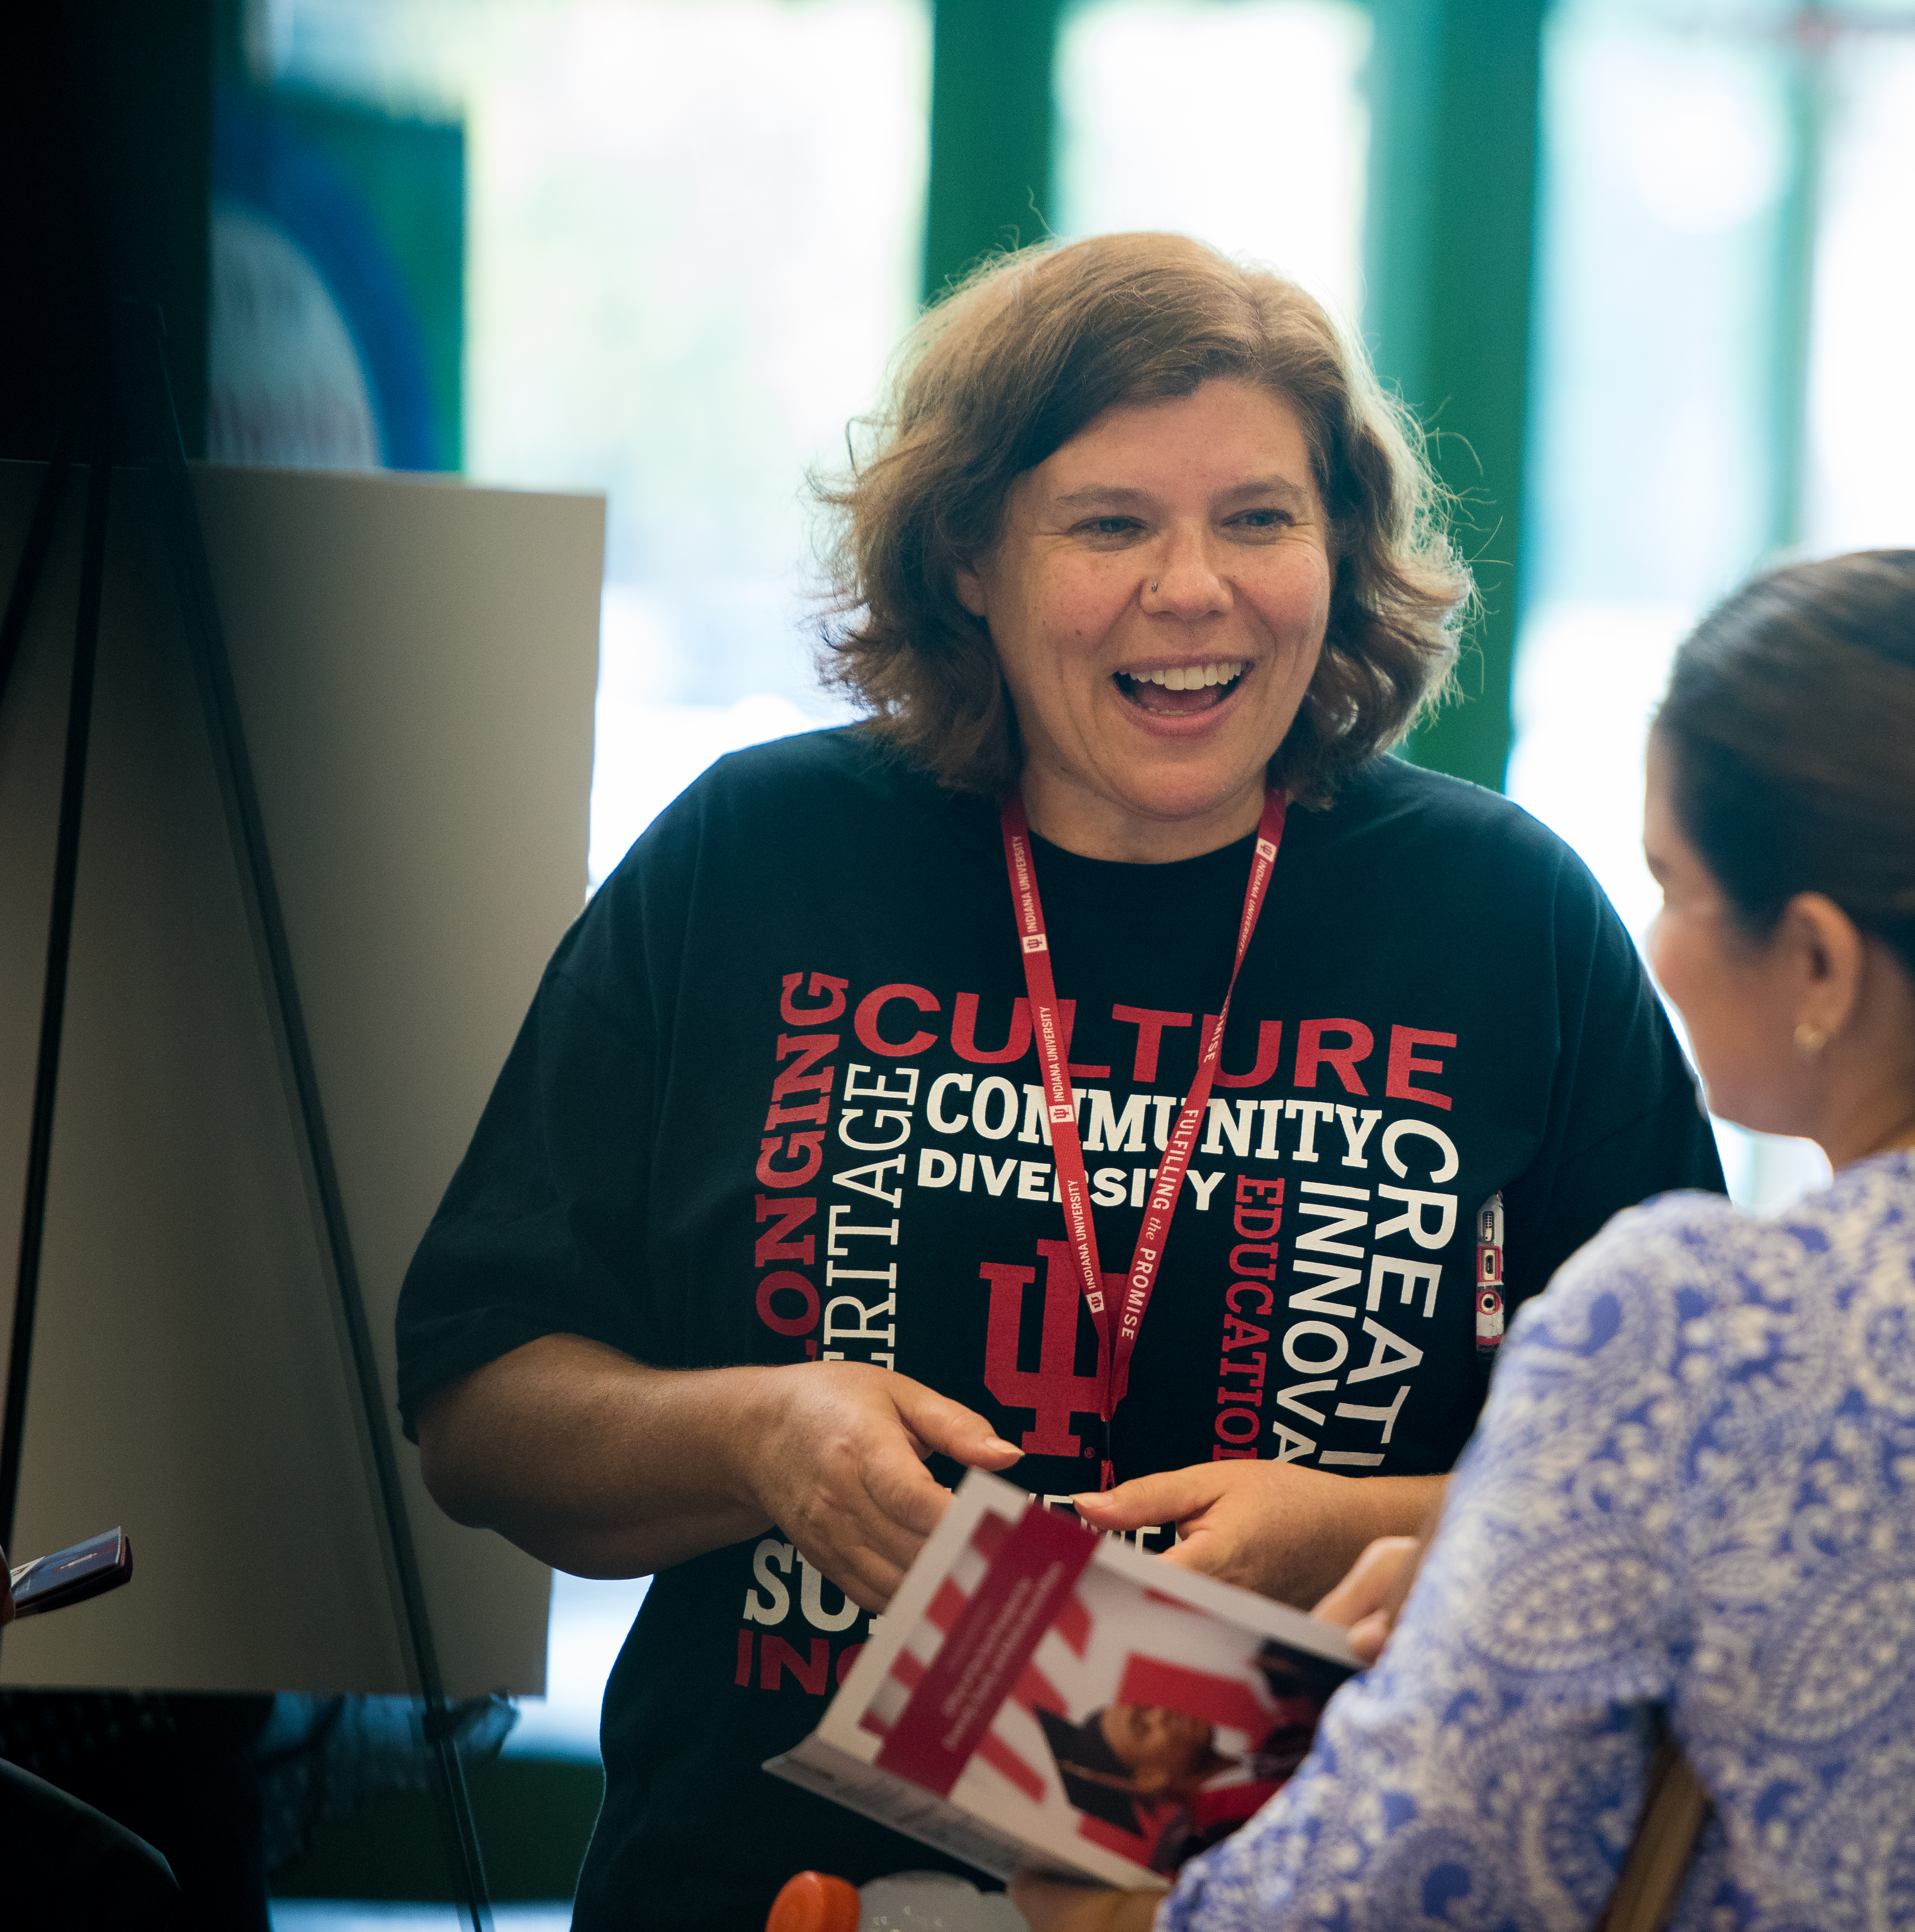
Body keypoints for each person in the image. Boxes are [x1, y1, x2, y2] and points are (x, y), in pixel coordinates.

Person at [393, 231, 1724, 1928]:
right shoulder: (756, 855)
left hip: (1335, 1890)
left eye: (1259, 518)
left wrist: (1362, 1527)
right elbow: (478, 1409)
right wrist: (757, 1435)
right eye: (1110, 525)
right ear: (966, 558)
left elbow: (1687, 1484)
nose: (1196, 590)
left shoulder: (1505, 912)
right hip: (773, 1883)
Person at [1016, 549, 1915, 1932]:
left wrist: (1119, 1913)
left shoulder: (1700, 1322)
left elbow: (1417, 1887)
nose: (1657, 944)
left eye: (1678, 886)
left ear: (1818, 962)